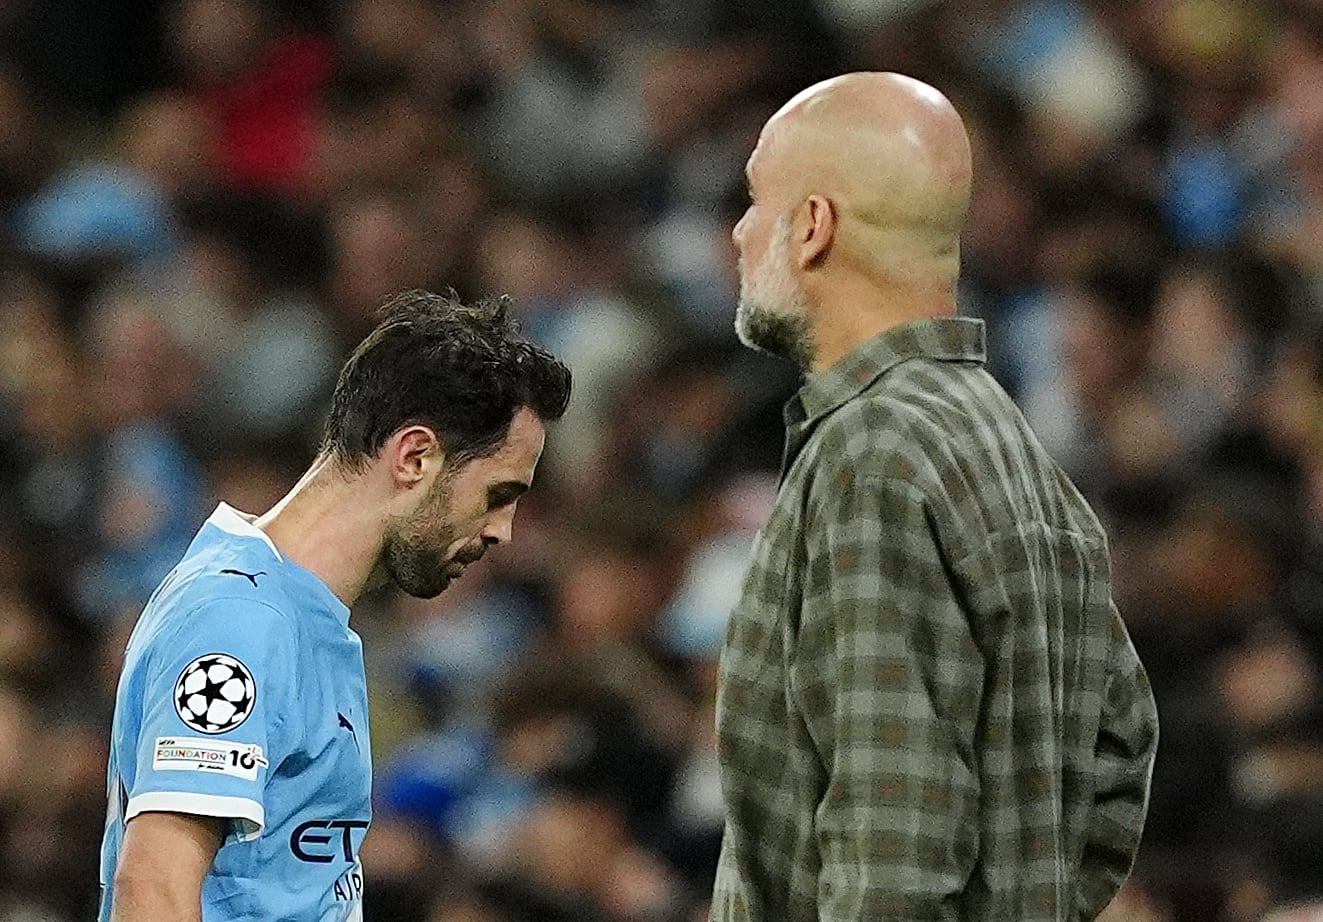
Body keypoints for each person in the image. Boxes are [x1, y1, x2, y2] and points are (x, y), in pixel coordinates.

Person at [711, 72, 1159, 921]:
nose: (737, 232)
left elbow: (893, 850)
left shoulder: (874, 455)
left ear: (812, 227)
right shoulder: (1005, 438)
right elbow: (1119, 749)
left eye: (755, 200)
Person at [98, 290, 572, 921]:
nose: (502, 531)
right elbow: (154, 889)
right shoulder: (242, 618)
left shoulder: (301, 617)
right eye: (498, 494)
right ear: (414, 456)